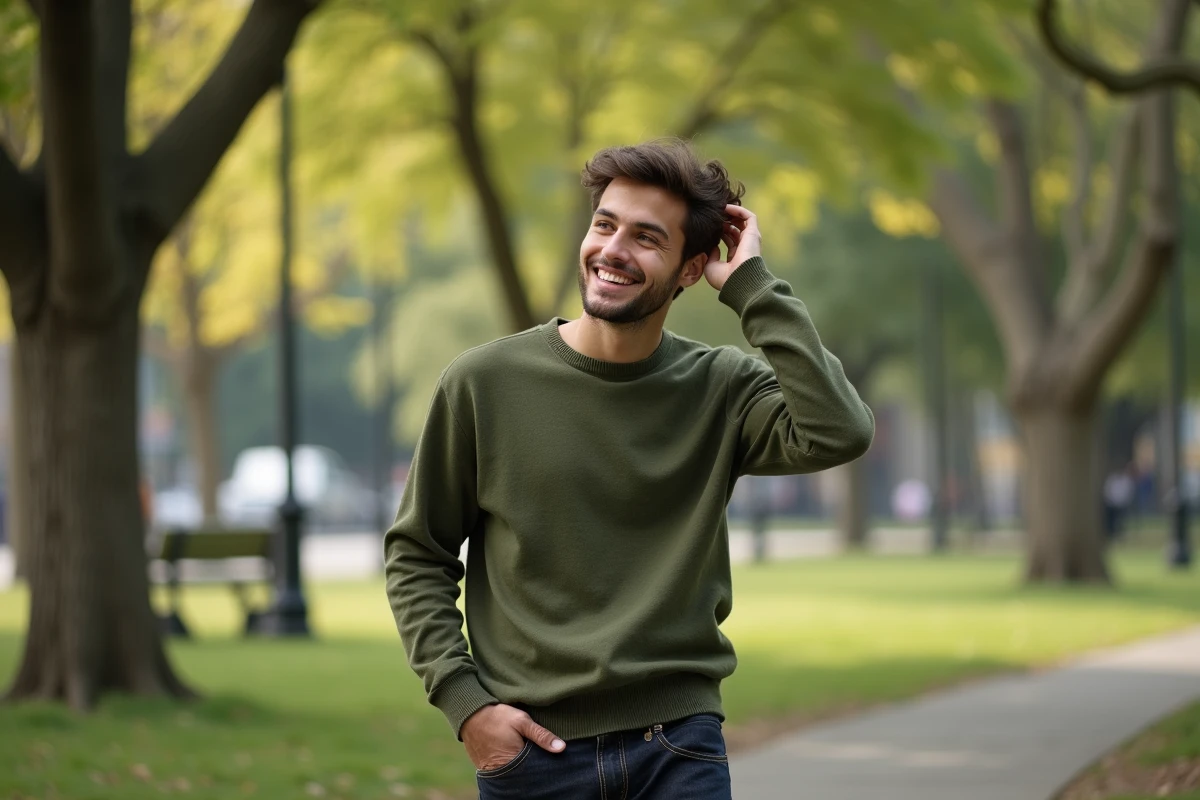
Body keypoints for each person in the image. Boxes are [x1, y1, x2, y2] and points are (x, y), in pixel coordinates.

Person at [384, 139, 874, 799]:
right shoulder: (484, 382)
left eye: (647, 238)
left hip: (678, 745)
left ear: (691, 270)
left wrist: (755, 288)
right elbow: (418, 551)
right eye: (604, 224)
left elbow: (839, 430)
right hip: (532, 753)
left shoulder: (720, 387)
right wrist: (466, 705)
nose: (613, 249)